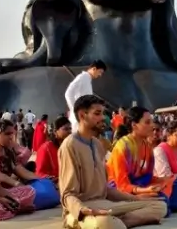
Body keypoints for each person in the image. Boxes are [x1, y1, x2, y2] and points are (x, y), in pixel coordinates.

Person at [59, 95, 166, 229]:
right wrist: (83, 210)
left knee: (159, 205)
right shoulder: (69, 146)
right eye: (97, 114)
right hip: (82, 209)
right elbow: (67, 195)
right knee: (106, 223)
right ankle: (110, 222)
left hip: (106, 205)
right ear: (82, 115)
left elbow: (105, 190)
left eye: (103, 113)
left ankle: (118, 222)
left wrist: (136, 199)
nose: (103, 118)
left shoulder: (98, 144)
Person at [106, 107, 174, 212]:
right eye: (147, 122)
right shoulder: (122, 146)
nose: (152, 126)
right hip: (119, 190)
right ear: (134, 125)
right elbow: (121, 184)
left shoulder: (147, 146)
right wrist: (145, 190)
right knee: (162, 202)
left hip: (140, 186)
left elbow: (148, 177)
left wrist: (166, 180)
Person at [0, 120, 39, 188]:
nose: (11, 137)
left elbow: (19, 170)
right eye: (7, 134)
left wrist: (40, 178)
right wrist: (16, 184)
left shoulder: (8, 151)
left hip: (9, 190)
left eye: (12, 134)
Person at [65, 60, 107, 132]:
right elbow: (68, 93)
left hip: (84, 117)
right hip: (79, 118)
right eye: (100, 72)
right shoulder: (82, 77)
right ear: (94, 69)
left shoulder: (87, 79)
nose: (100, 75)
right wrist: (74, 109)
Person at [36, 116, 71, 180]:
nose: (69, 132)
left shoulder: (70, 147)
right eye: (66, 129)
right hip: (54, 185)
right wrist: (56, 180)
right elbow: (40, 173)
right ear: (55, 131)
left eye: (70, 129)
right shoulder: (46, 148)